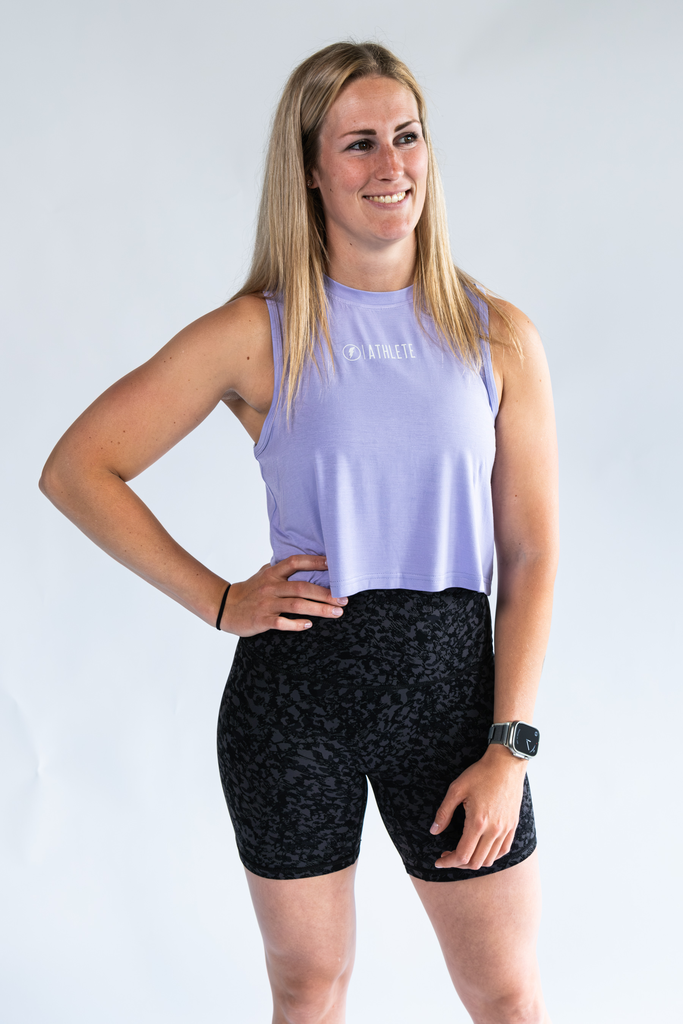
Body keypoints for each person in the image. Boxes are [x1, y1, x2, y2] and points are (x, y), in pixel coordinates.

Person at [40, 40, 558, 1024]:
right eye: (358, 144)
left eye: (405, 136)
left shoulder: (496, 336)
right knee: (308, 987)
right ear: (311, 169)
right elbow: (78, 468)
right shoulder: (257, 332)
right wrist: (220, 600)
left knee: (505, 994)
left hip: (451, 696)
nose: (389, 165)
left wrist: (509, 747)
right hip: (293, 699)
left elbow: (529, 557)